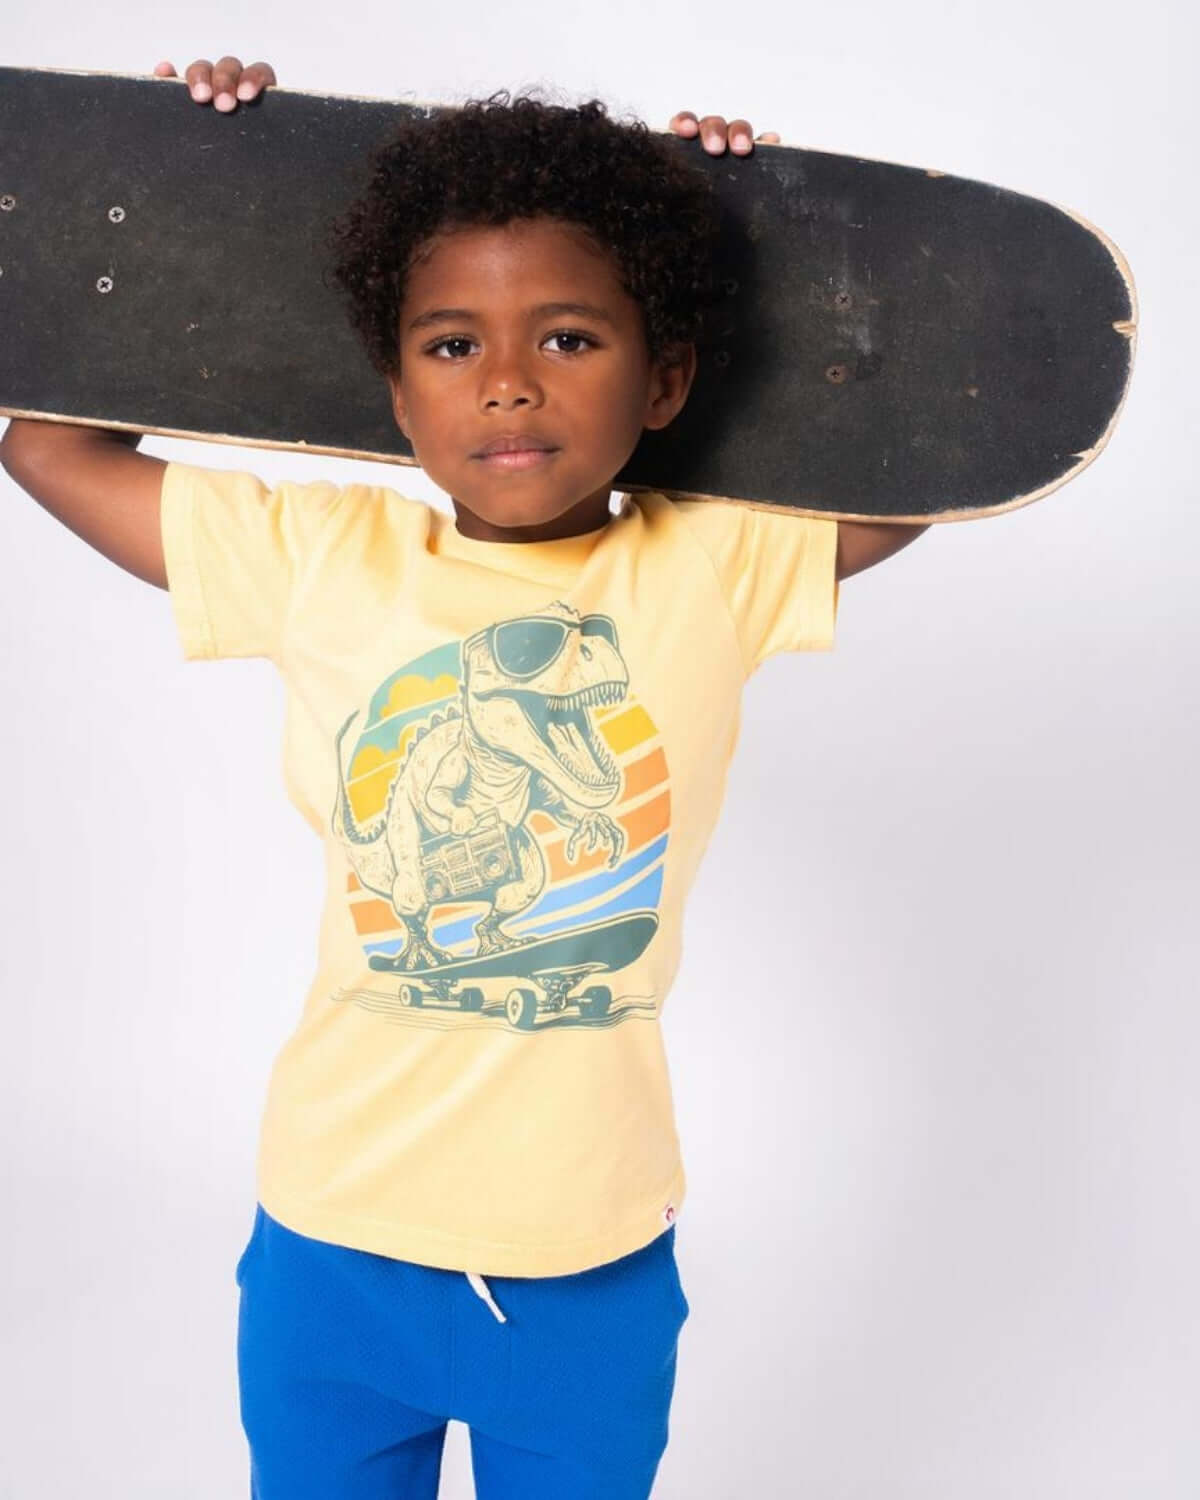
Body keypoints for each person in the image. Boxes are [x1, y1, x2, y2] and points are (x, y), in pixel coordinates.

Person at [0, 54, 929, 1499]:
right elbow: (46, 444)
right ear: (392, 386)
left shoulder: (712, 569)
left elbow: (932, 459)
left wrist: (768, 226)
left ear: (665, 372)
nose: (506, 381)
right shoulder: (316, 558)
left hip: (585, 1264)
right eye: (450, 348)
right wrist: (189, 181)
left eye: (569, 338)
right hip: (331, 1244)